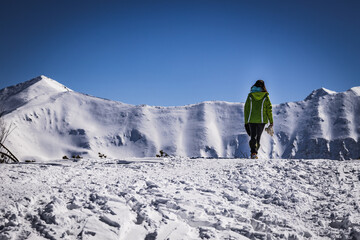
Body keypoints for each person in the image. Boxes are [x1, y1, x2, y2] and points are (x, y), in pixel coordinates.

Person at [244, 80, 273, 159]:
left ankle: (253, 152)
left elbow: (246, 108)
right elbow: (269, 109)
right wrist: (271, 121)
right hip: (262, 120)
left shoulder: (250, 96)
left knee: (253, 136)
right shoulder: (265, 96)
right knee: (258, 137)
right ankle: (254, 152)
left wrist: (246, 121)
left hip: (251, 119)